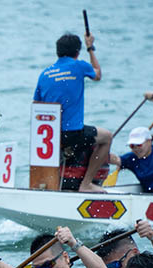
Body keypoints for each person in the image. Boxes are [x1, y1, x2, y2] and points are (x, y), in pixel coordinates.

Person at [34, 32, 110, 193]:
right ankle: (86, 184)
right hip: (72, 134)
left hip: (49, 137)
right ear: (77, 52)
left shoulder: (44, 74)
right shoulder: (78, 66)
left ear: (57, 51)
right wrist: (90, 47)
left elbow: (36, 105)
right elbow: (97, 74)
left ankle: (46, 183)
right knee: (107, 137)